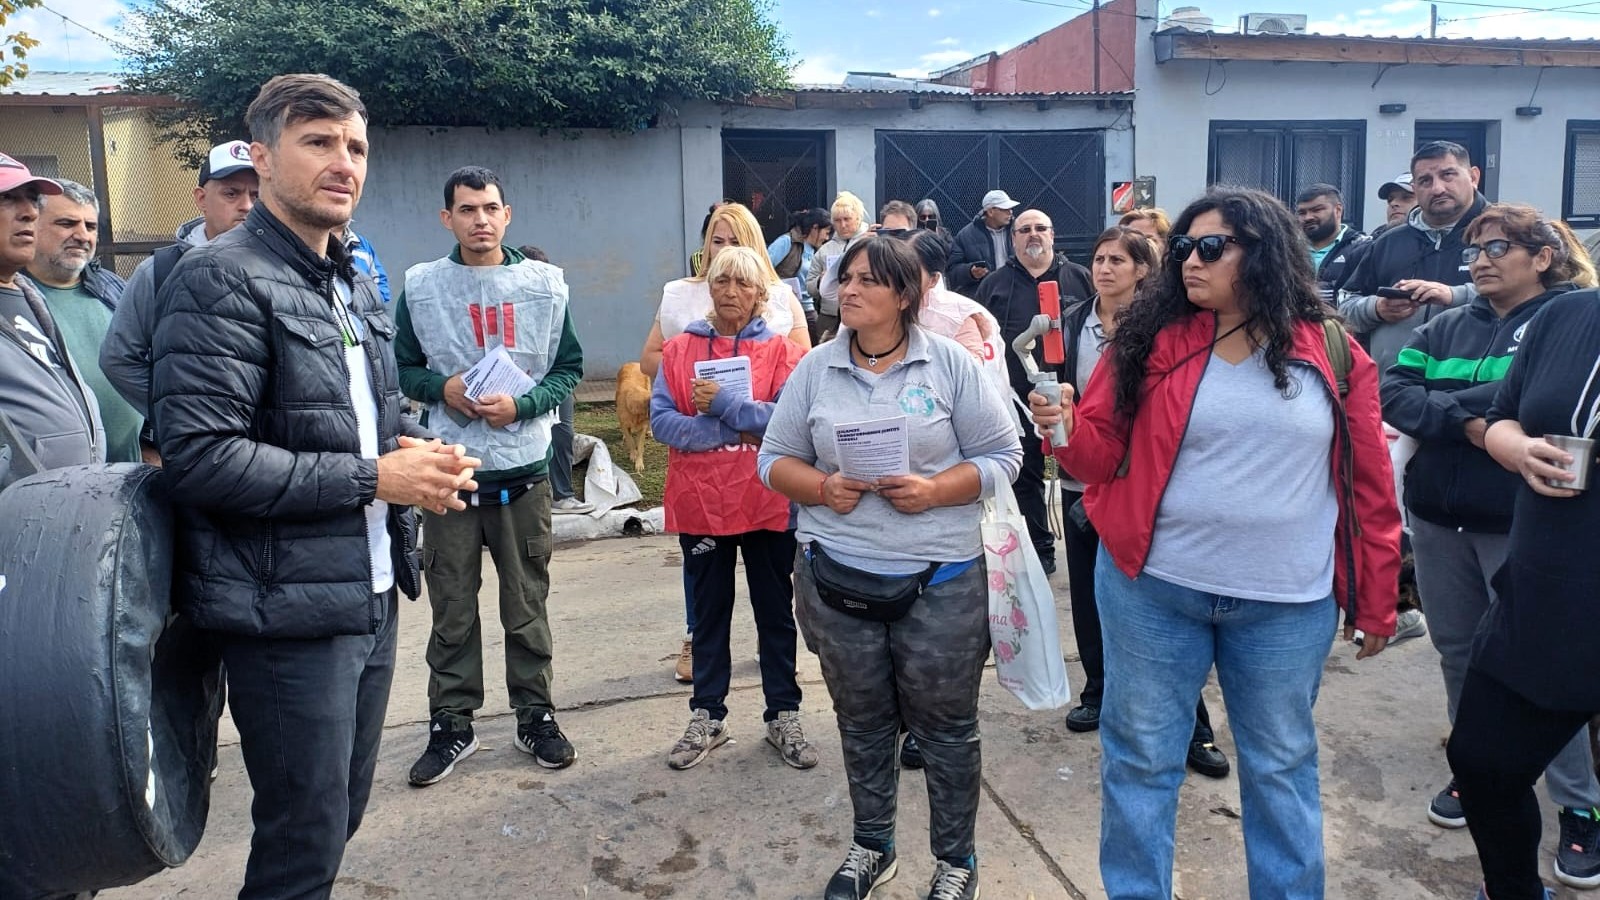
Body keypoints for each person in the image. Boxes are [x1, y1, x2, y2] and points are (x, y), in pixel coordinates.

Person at [150, 74, 480, 898]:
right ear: (261, 157)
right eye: (319, 141)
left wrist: (410, 455)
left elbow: (341, 418)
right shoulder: (218, 277)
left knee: (340, 815)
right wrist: (376, 476)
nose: (345, 162)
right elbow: (201, 458)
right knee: (302, 836)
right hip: (281, 609)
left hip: (367, 592)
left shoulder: (350, 280)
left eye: (357, 147)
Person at [1031, 187, 1401, 899]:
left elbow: (1370, 485)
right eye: (1181, 250)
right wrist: (1065, 428)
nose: (1188, 263)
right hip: (1153, 590)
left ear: (1262, 254)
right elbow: (1099, 458)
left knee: (1281, 765)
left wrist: (1375, 597)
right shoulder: (1149, 341)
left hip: (1288, 605)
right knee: (1139, 760)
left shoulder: (1331, 349)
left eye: (1210, 248)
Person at [759, 237, 1022, 900]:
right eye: (845, 278)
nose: (848, 290)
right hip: (837, 582)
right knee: (862, 718)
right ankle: (872, 846)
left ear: (905, 296)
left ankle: (956, 860)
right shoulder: (816, 370)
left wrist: (936, 490)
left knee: (946, 724)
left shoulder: (951, 364)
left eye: (868, 281)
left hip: (940, 584)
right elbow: (774, 459)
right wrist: (821, 489)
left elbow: (1003, 457)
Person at [1382, 203, 1600, 889]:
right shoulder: (1548, 323)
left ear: (1544, 255)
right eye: (1474, 249)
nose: (1479, 259)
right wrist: (1482, 430)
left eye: (1497, 245)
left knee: (1557, 712)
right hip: (1477, 535)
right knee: (1469, 680)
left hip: (1509, 523)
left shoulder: (1546, 314)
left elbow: (1484, 395)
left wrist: (1453, 411)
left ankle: (1578, 807)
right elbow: (1397, 389)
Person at [395, 166, 584, 785]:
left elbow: (568, 367)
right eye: (467, 209)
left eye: (491, 208)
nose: (481, 219)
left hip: (523, 473)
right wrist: (440, 386)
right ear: (446, 217)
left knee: (527, 604)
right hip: (450, 473)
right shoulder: (423, 286)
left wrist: (525, 404)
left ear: (508, 216)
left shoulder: (546, 286)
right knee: (452, 605)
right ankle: (452, 722)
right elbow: (402, 367)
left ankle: (536, 714)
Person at [1048, 225, 1230, 778]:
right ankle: (1099, 690)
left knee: (1161, 630)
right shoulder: (1075, 319)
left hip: (1138, 491)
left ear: (1144, 270)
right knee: (1089, 599)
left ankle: (1194, 728)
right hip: (1083, 474)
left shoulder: (1164, 331)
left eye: (1117, 261)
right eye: (1098, 259)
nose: (1104, 269)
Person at [1451, 279, 1600, 900]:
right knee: (1484, 763)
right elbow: (1503, 413)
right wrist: (1514, 446)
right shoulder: (1568, 314)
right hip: (1548, 589)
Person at [648, 246, 815, 771]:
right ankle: (708, 714)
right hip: (702, 502)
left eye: (743, 284)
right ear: (709, 287)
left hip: (767, 498)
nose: (731, 293)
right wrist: (730, 426)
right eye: (722, 282)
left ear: (761, 293)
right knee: (709, 614)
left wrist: (721, 404)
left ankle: (783, 713)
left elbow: (787, 419)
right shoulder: (678, 352)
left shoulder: (785, 355)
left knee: (774, 611)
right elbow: (661, 421)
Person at [101, 139, 258, 417]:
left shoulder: (284, 269)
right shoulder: (159, 271)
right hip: (197, 449)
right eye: (231, 194)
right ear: (201, 199)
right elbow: (119, 359)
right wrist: (182, 412)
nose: (246, 206)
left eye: (257, 196)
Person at [975, 208, 1092, 575]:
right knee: (1026, 477)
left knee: (1073, 474)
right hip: (1018, 401)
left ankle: (1085, 545)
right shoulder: (994, 284)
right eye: (1024, 229)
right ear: (1013, 240)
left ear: (1053, 235)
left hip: (1073, 400)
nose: (1033, 235)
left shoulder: (1079, 277)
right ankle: (1041, 547)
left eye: (1041, 228)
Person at [1340, 140, 1488, 378]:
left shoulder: (1504, 234)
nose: (1437, 188)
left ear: (1473, 176)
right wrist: (1376, 309)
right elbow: (1344, 305)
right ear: (1416, 188)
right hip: (1394, 394)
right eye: (1425, 181)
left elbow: (1531, 298)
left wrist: (1454, 295)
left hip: (1476, 393)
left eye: (1448, 175)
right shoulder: (1388, 241)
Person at [0, 152, 103, 481]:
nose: (29, 212)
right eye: (7, 199)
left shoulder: (28, 297)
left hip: (69, 507)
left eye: (31, 199)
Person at [23, 179, 141, 463]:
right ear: (32, 226)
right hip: (55, 480)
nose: (81, 235)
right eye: (66, 223)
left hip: (134, 472)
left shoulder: (114, 288)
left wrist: (151, 442)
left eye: (90, 226)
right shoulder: (13, 298)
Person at [516, 244, 592, 515]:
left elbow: (569, 354)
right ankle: (526, 500)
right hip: (520, 383)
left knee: (561, 434)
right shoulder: (509, 304)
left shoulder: (556, 300)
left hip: (556, 382)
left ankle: (562, 494)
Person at [806, 191, 871, 340]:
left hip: (863, 313)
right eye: (837, 220)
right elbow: (809, 285)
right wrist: (820, 281)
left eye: (847, 219)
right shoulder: (824, 250)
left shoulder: (871, 243)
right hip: (829, 317)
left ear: (858, 218)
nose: (843, 225)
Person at [768, 207, 832, 339]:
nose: (826, 238)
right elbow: (764, 267)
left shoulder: (817, 250)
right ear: (815, 228)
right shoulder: (786, 242)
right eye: (826, 232)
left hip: (808, 306)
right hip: (784, 306)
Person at [1294, 183, 1369, 297]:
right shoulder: (1289, 250)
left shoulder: (1362, 247)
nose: (1308, 217)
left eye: (1317, 210)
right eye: (1302, 213)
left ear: (1338, 210)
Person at [946, 189, 1019, 296]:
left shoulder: (1019, 229)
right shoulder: (966, 235)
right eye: (1005, 209)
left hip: (1015, 291)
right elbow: (952, 272)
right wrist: (970, 272)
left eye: (1010, 208)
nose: (1010, 212)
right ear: (990, 212)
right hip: (984, 296)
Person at [1375, 173, 1418, 237]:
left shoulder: (1435, 242)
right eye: (1390, 200)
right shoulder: (1375, 240)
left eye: (1406, 197)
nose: (1393, 203)